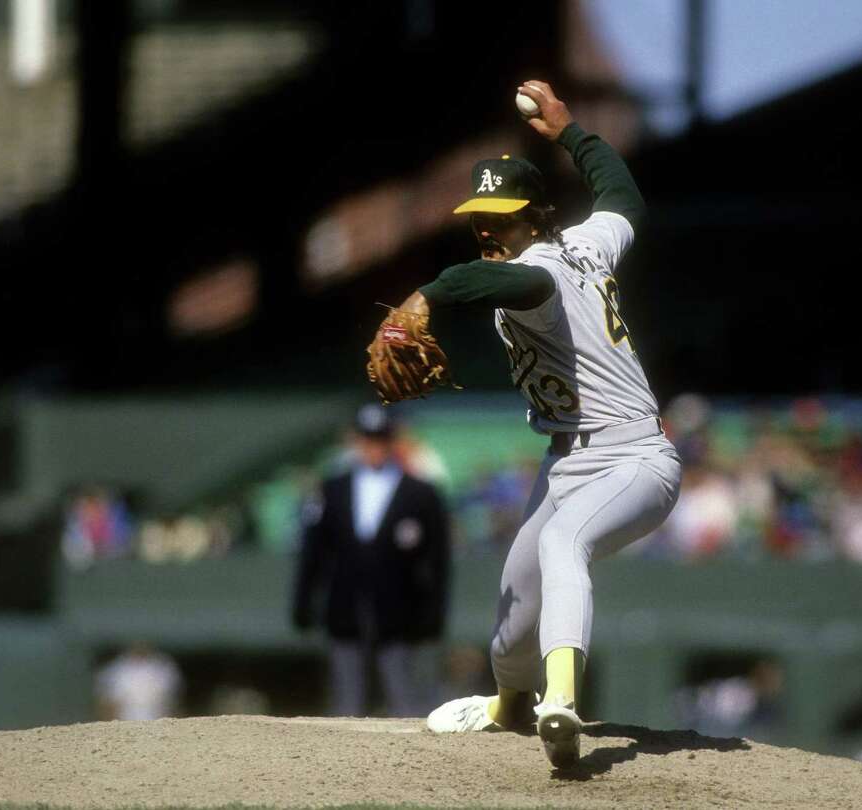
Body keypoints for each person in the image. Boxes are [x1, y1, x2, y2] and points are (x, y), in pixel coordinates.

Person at [398, 79, 682, 769]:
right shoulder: (591, 239)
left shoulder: (537, 269)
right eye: (480, 217)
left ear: (535, 216)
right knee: (511, 621)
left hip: (633, 458)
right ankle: (508, 707)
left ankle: (561, 702)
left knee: (563, 544)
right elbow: (624, 199)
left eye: (503, 216)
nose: (488, 227)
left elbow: (512, 285)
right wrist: (569, 132)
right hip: (567, 460)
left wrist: (428, 295)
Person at [291, 405, 450, 717]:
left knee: (404, 698)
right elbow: (314, 552)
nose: (374, 447)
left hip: (400, 614)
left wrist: (434, 613)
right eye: (368, 439)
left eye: (380, 439)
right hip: (345, 608)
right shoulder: (333, 489)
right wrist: (304, 601)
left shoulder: (420, 494)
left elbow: (437, 561)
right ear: (357, 441)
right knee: (346, 700)